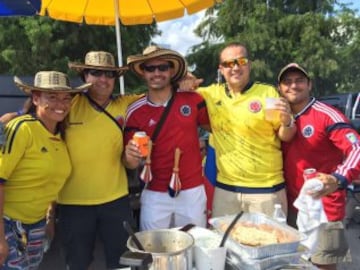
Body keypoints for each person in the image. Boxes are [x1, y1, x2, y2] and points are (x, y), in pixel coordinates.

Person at [183, 42, 296, 217]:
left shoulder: (267, 93)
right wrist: (184, 81)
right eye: (229, 64)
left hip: (266, 190)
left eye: (241, 61)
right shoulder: (210, 94)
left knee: (268, 243)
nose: (235, 67)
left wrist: (287, 122)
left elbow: (285, 136)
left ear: (249, 64)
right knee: (224, 243)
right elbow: (181, 91)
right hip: (226, 190)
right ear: (221, 69)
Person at [55, 51, 139, 270]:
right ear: (84, 75)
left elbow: (161, 95)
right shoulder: (67, 105)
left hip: (116, 201)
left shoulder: (126, 104)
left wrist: (184, 81)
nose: (103, 79)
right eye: (96, 72)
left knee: (123, 262)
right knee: (77, 263)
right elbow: (38, 116)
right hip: (73, 204)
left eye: (109, 74)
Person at [0, 71, 90, 269]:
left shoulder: (60, 137)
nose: (61, 104)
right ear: (35, 98)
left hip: (36, 224)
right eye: (52, 97)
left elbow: (51, 182)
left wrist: (49, 218)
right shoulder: (22, 128)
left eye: (66, 98)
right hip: (7, 223)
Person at [278, 63, 360, 270]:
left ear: (309, 85)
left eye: (299, 81)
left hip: (325, 208)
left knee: (324, 266)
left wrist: (337, 178)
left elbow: (357, 149)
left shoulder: (326, 114)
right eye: (287, 82)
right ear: (280, 88)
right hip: (292, 207)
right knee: (294, 265)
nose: (293, 86)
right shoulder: (279, 118)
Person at [123, 45, 210, 231]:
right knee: (155, 252)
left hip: (192, 190)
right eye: (150, 68)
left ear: (171, 71)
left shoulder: (193, 99)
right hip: (153, 193)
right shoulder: (135, 111)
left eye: (162, 67)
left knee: (193, 248)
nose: (157, 73)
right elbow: (130, 163)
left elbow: (215, 128)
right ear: (143, 73)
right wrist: (130, 158)